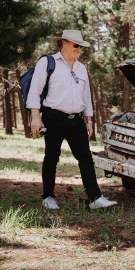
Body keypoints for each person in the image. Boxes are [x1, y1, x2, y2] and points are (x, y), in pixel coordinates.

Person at [27, 29, 117, 210]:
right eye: (77, 45)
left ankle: (95, 198)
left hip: (77, 120)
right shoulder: (47, 62)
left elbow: (86, 97)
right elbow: (35, 91)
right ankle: (48, 196)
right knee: (52, 157)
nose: (79, 50)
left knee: (85, 158)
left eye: (81, 47)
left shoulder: (81, 67)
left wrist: (89, 120)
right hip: (53, 117)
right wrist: (36, 117)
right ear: (65, 43)